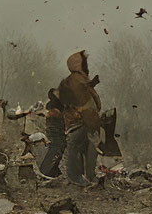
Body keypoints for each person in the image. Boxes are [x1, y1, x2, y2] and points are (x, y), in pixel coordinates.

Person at [57, 51, 103, 185]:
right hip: (80, 121)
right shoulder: (75, 80)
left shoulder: (78, 80)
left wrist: (91, 84)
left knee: (86, 149)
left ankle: (86, 177)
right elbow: (80, 100)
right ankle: (77, 177)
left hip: (84, 121)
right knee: (78, 149)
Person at [38, 88, 68, 179]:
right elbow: (55, 114)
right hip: (54, 131)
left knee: (59, 148)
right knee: (55, 149)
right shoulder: (52, 105)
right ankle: (45, 171)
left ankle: (52, 169)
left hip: (59, 131)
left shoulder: (59, 105)